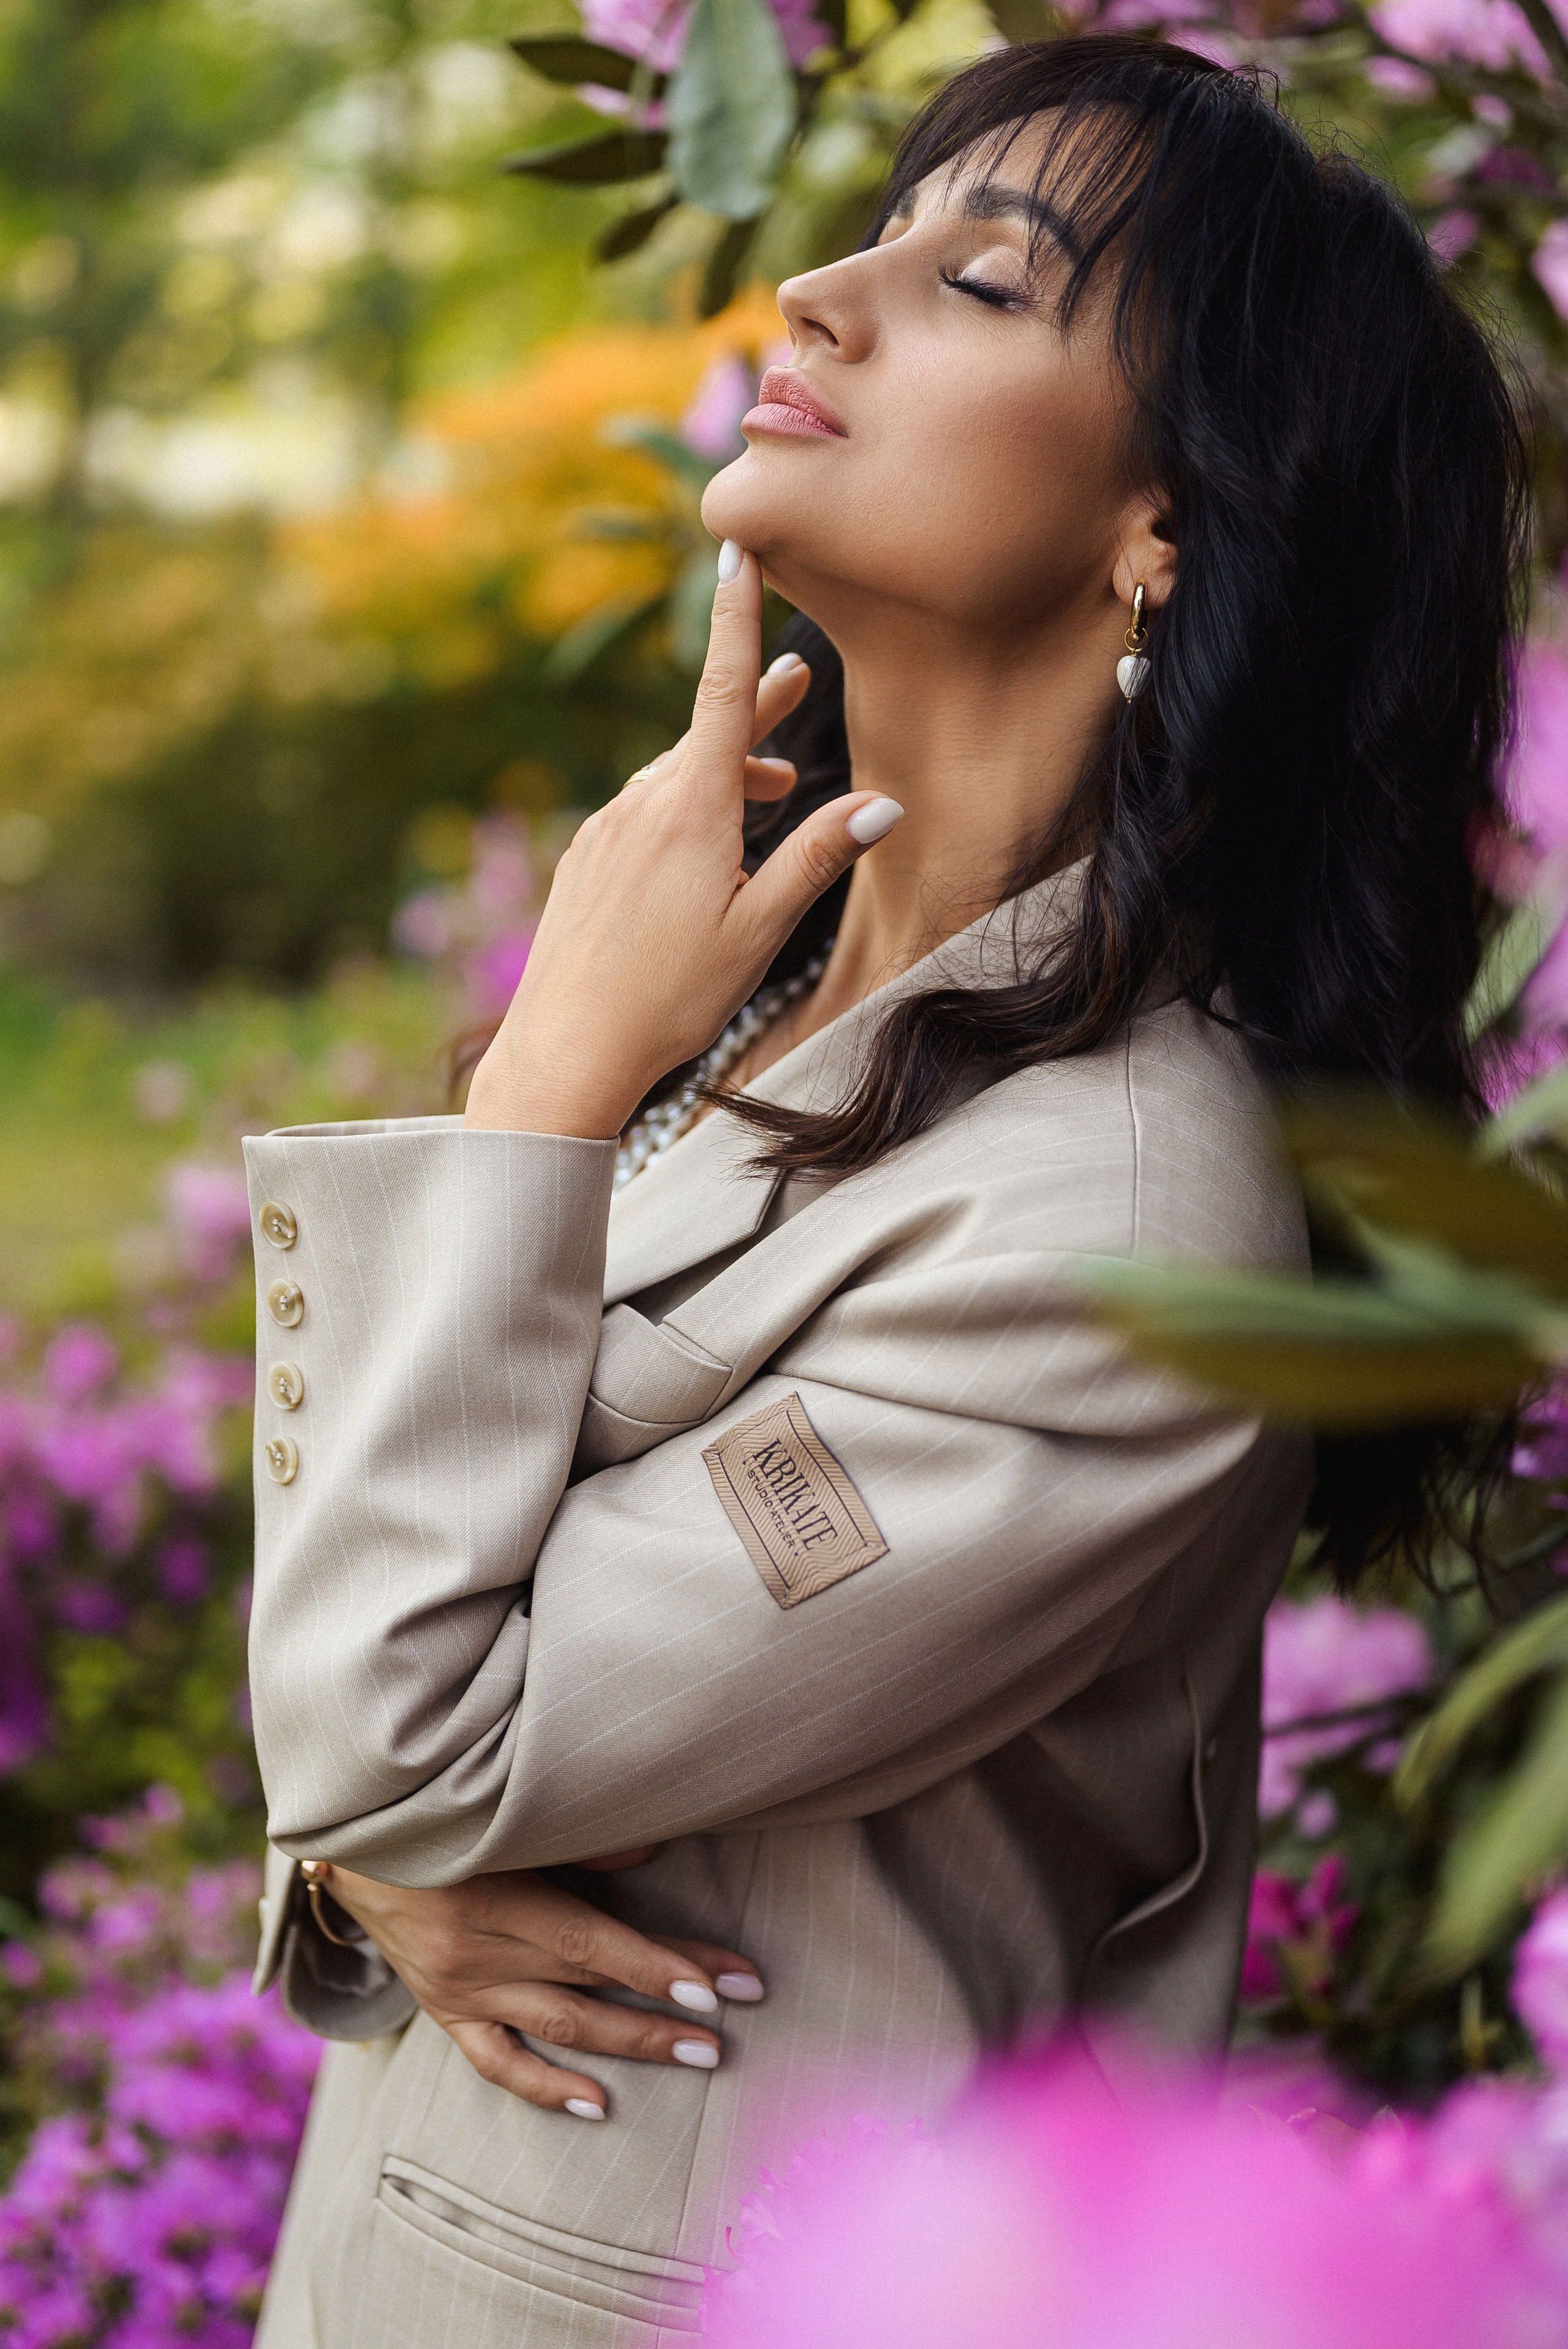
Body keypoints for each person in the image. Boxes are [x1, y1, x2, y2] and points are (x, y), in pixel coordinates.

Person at [246, 34, 1526, 2347]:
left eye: (984, 281)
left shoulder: (1120, 1227)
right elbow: (407, 1621)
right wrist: (374, 1836)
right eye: (875, 228)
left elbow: (394, 1712)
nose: (823, 290)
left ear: (1174, 521)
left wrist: (542, 1081)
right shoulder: (751, 981)